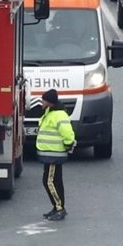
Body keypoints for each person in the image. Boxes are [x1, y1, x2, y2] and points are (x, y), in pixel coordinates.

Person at [36, 88, 76, 221]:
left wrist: (69, 143)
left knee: (49, 181)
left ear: (49, 102)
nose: (41, 102)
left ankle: (60, 208)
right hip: (50, 153)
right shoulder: (50, 112)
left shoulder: (58, 115)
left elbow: (68, 133)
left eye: (43, 100)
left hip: (54, 154)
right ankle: (56, 207)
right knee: (55, 181)